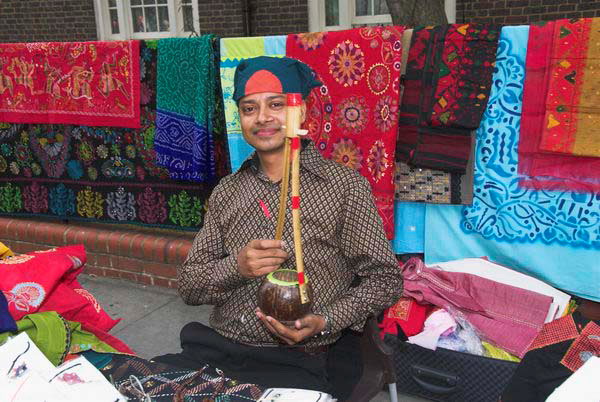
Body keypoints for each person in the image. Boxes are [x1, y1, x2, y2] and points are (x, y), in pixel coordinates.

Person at [153, 56, 402, 398]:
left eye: (277, 104)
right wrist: (236, 267)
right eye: (249, 108)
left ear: (302, 112)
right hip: (222, 347)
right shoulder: (228, 191)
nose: (263, 117)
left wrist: (325, 319)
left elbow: (386, 279)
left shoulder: (344, 187)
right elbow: (189, 286)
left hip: (304, 357)